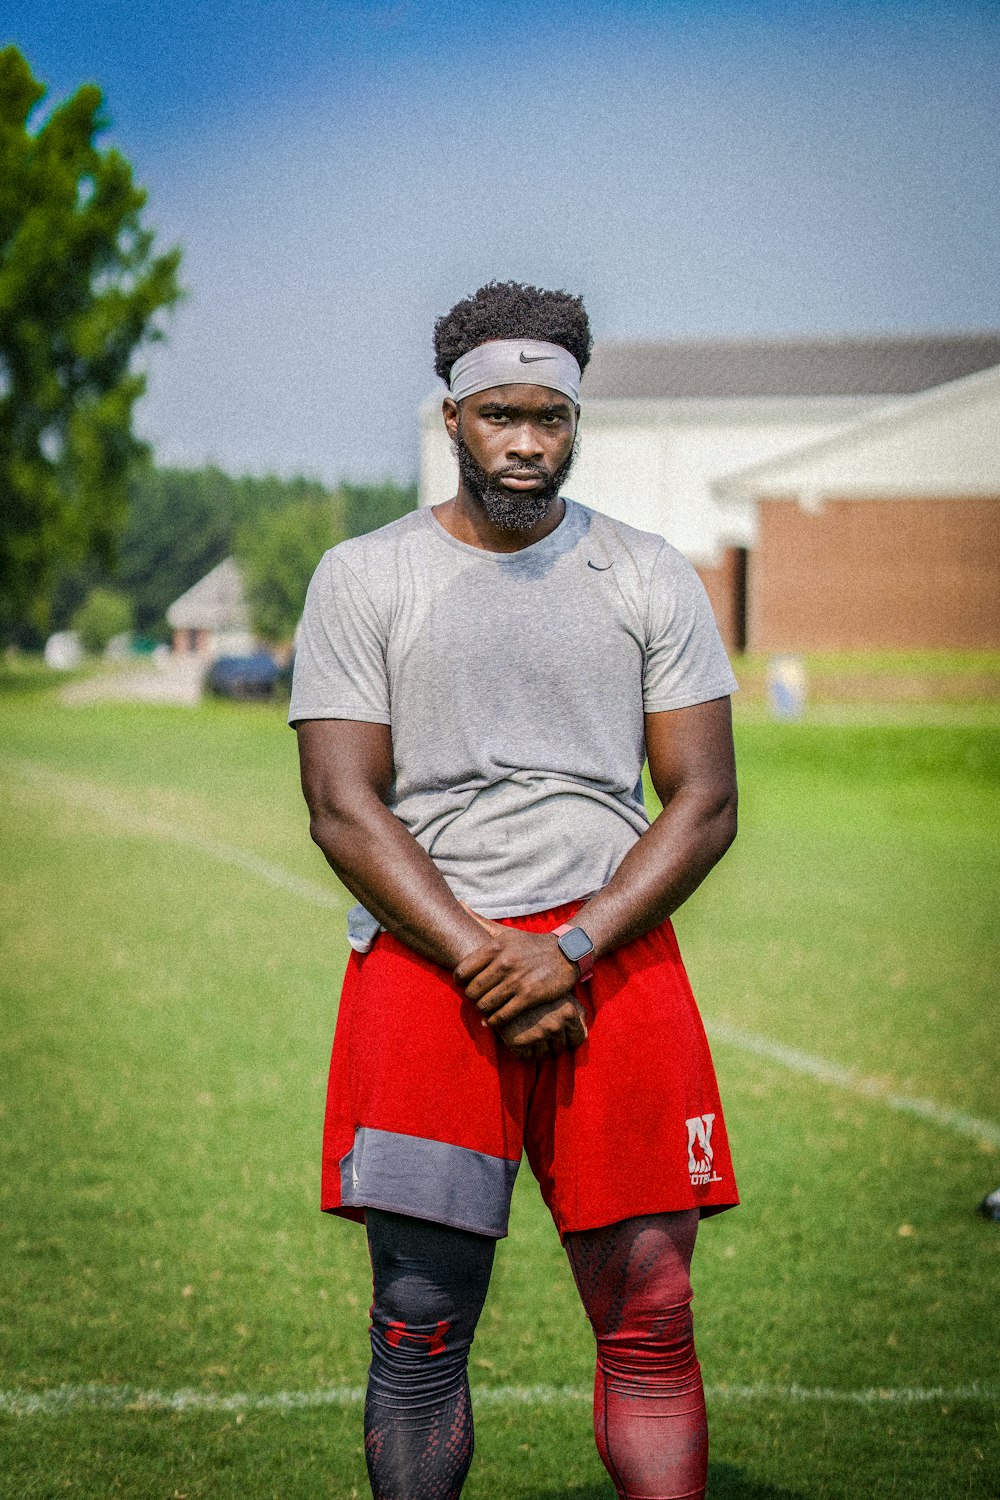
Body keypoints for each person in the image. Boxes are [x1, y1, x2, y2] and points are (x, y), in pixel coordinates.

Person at [290, 280, 740, 1500]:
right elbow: (343, 802)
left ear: (577, 419)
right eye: (501, 416)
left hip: (616, 960)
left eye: (551, 417)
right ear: (453, 418)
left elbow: (702, 799)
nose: (528, 443)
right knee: (419, 1322)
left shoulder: (649, 575)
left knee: (651, 1310)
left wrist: (576, 946)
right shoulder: (363, 575)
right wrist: (491, 956)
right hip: (430, 967)